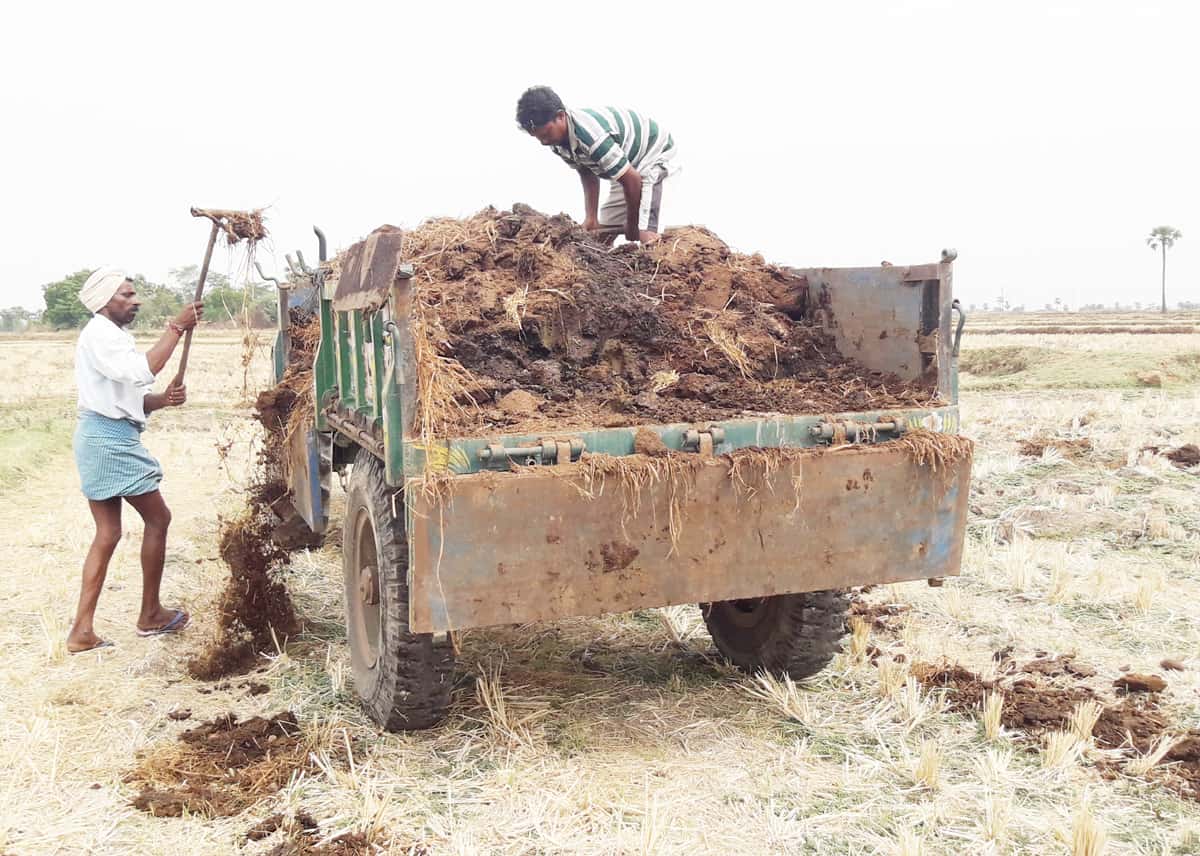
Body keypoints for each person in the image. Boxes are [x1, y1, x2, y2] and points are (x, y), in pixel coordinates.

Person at [67, 267, 204, 653]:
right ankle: (150, 615)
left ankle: (81, 632)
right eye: (126, 295)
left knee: (108, 533)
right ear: (104, 301)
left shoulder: (112, 336)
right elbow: (144, 370)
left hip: (98, 435)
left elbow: (125, 397)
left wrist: (162, 400)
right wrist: (177, 327)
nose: (135, 300)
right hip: (109, 441)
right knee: (158, 518)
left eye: (133, 294)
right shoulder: (100, 335)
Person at [517, 86, 679, 245]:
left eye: (546, 134)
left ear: (560, 116)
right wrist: (591, 218)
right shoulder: (557, 142)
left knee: (645, 232)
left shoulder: (591, 137)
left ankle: (661, 267)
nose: (544, 142)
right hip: (625, 167)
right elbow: (586, 171)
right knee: (600, 237)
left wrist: (632, 222)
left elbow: (632, 180)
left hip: (653, 156)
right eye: (538, 137)